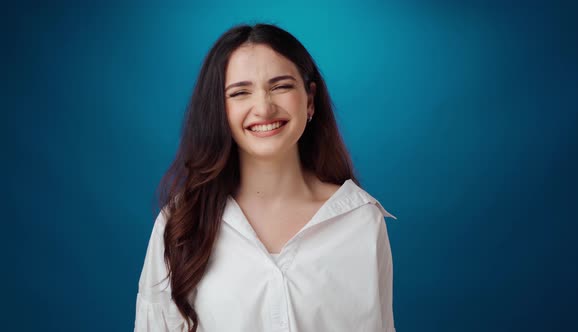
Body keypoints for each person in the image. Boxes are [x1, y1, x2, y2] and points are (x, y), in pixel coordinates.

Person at [134, 23, 397, 332]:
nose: (264, 107)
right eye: (240, 92)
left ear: (310, 99)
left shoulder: (360, 220)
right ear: (220, 109)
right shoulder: (181, 224)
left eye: (281, 86)